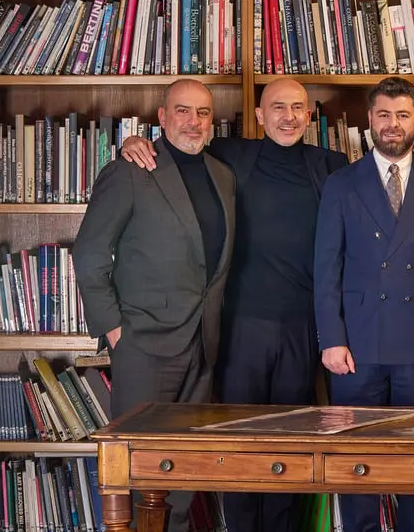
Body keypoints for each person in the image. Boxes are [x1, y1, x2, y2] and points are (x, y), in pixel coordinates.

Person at [119, 77, 347, 532]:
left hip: (303, 327)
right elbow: (178, 145)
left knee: (288, 446)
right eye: (277, 107)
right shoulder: (229, 154)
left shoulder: (332, 165)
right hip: (239, 326)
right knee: (240, 446)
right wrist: (132, 142)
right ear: (259, 116)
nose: (288, 116)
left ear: (309, 115)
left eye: (298, 107)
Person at [73, 78, 236, 532]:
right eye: (182, 111)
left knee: (180, 476)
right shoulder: (131, 169)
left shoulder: (223, 176)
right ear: (161, 118)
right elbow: (88, 254)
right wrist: (114, 329)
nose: (193, 121)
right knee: (137, 473)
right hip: (143, 345)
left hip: (202, 345)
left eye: (203, 112)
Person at [314, 76, 414, 532]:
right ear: (369, 120)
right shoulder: (341, 184)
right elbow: (326, 269)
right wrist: (331, 339)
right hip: (355, 347)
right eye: (384, 114)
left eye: (402, 115)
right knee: (355, 461)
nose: (392, 124)